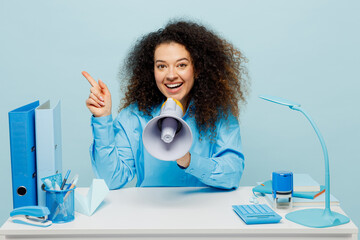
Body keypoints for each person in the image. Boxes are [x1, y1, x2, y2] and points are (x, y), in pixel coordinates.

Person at [83, 20, 249, 190]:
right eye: (161, 66)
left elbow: (232, 175)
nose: (171, 75)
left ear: (197, 68)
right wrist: (102, 119)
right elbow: (111, 180)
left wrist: (189, 161)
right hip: (150, 212)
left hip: (205, 211)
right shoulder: (134, 116)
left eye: (181, 65)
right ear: (152, 71)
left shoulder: (219, 114)